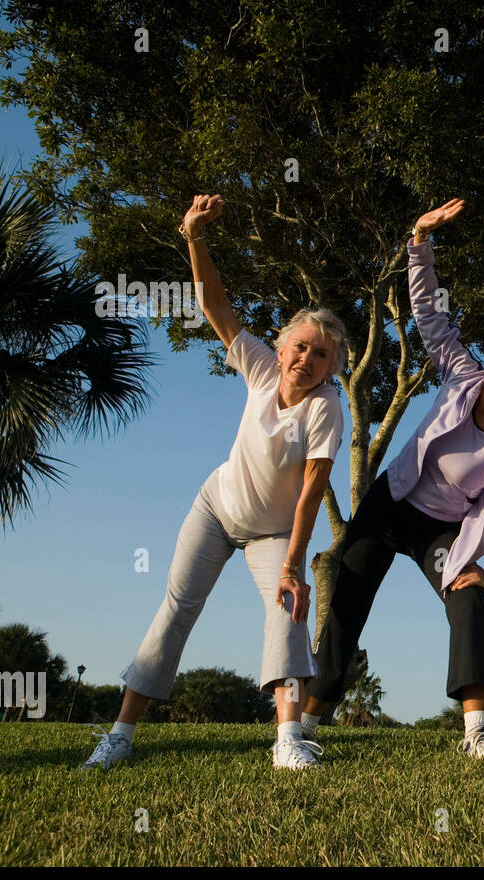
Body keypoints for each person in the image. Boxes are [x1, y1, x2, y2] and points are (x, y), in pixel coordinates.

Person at [81, 194, 346, 771]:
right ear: (282, 349)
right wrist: (195, 236)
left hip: (273, 530)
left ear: (331, 367)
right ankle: (120, 736)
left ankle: (288, 741)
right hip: (216, 507)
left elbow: (312, 490)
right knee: (176, 609)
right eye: (299, 346)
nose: (306, 358)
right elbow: (215, 304)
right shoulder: (258, 366)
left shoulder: (326, 409)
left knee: (289, 612)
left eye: (320, 354)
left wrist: (293, 564)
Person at [300, 198, 484, 759]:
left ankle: (477, 732)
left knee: (466, 597)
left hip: (440, 531)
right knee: (347, 602)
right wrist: (419, 239)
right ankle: (305, 730)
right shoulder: (461, 374)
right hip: (388, 505)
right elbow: (429, 316)